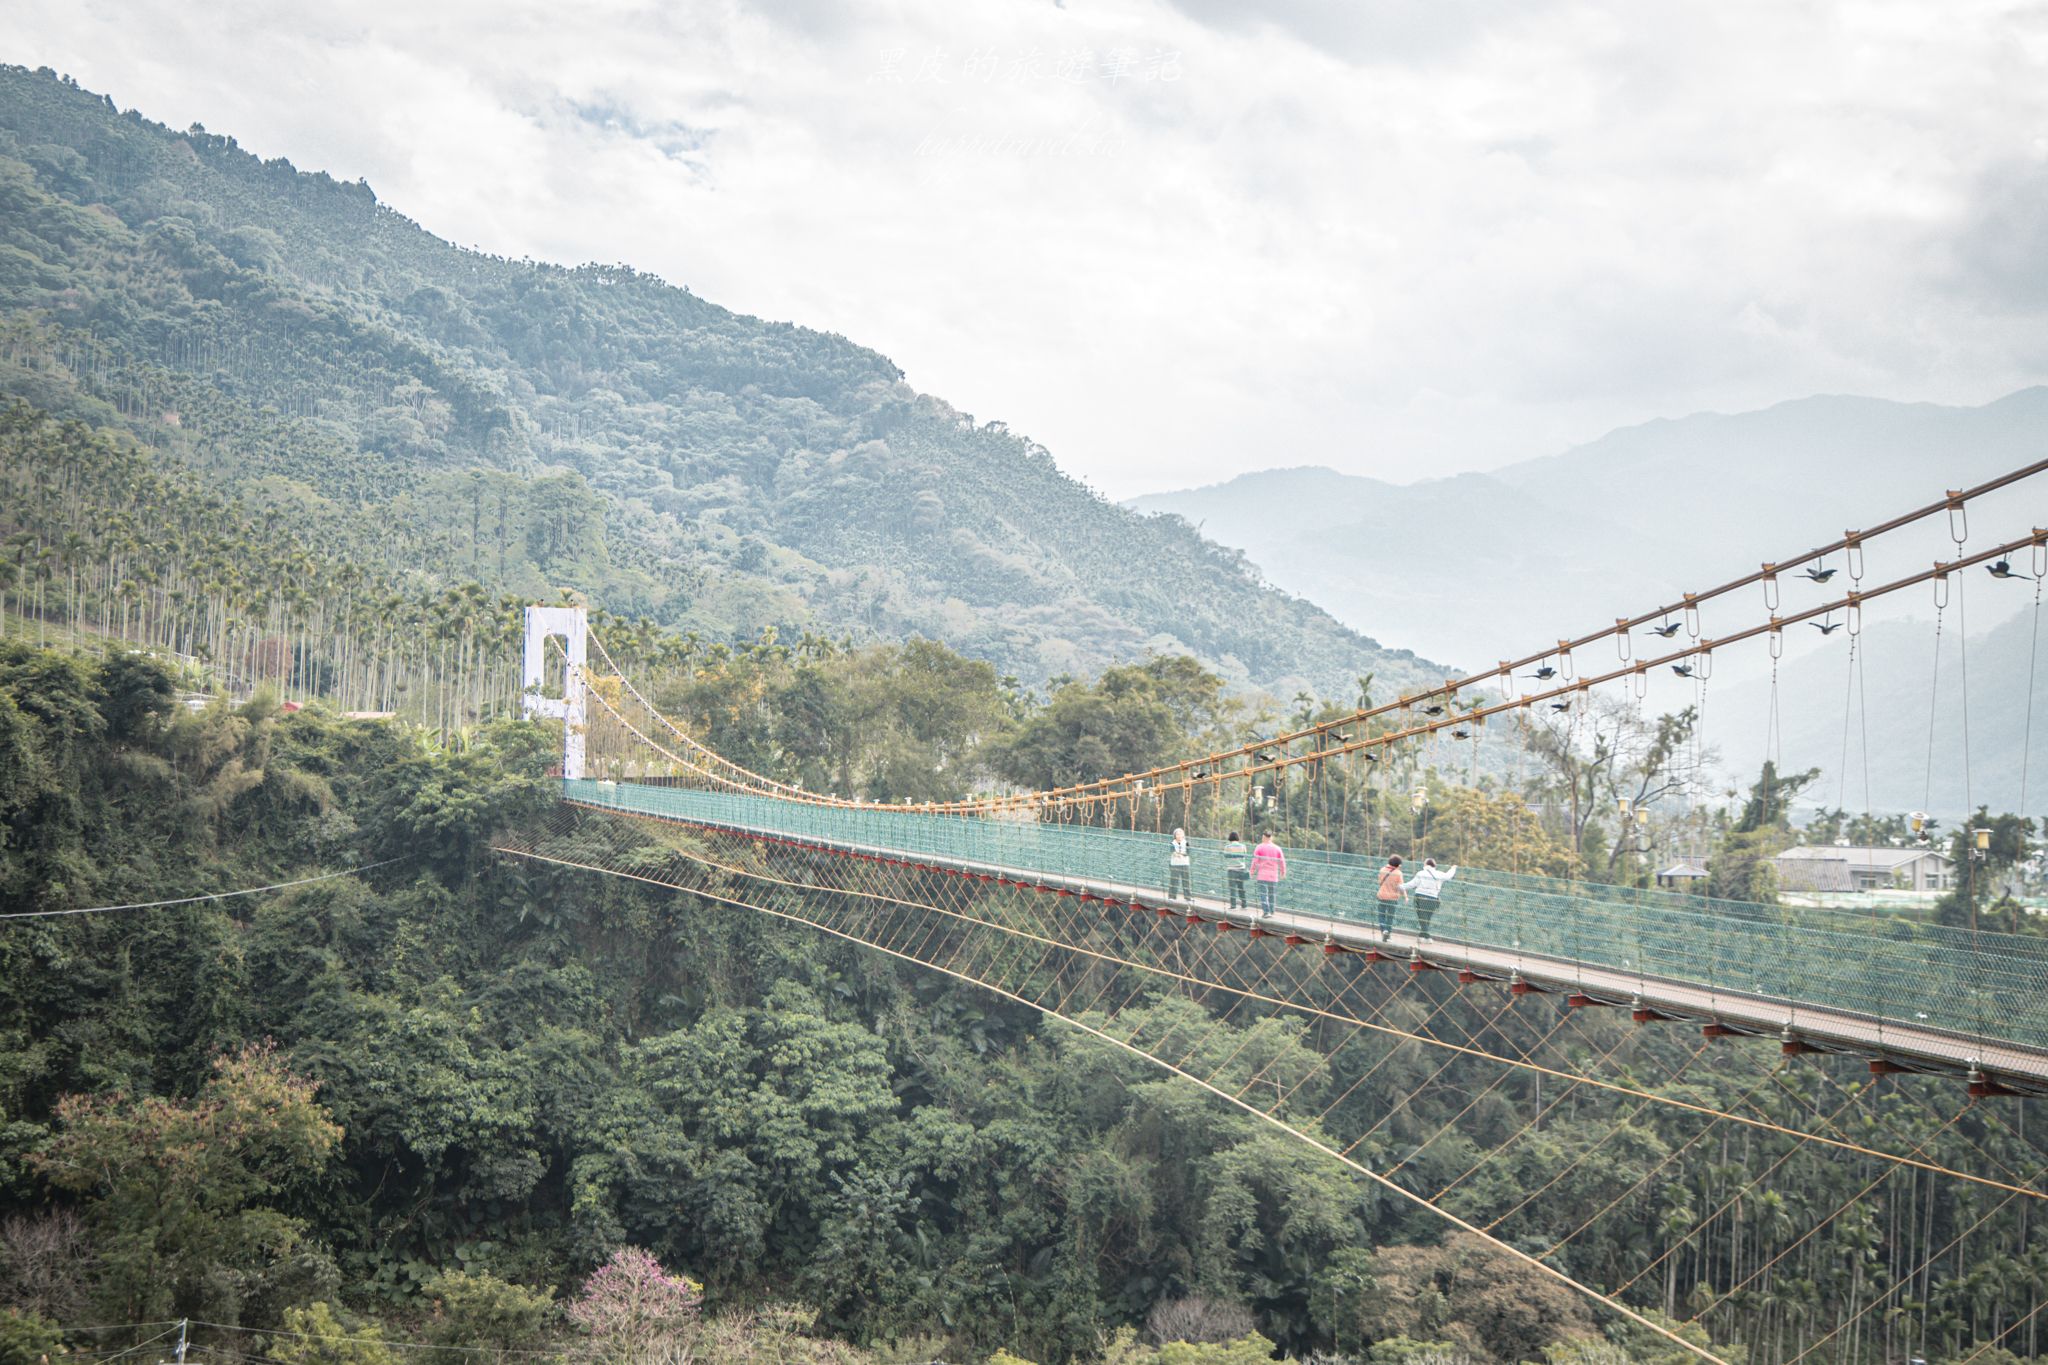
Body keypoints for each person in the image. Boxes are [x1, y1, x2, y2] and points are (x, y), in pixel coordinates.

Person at [1404, 857, 1458, 941]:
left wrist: (1400, 886)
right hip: (1433, 898)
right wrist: (1453, 868)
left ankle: (1427, 936)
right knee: (1427, 918)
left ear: (1425, 864)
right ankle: (1422, 936)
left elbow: (1412, 884)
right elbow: (1448, 876)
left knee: (1422, 917)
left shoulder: (1421, 873)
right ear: (1434, 865)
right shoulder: (1439, 874)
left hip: (1420, 897)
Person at [1251, 833, 1286, 917]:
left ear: (1264, 837)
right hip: (1273, 875)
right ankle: (1272, 911)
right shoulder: (1277, 848)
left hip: (1262, 875)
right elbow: (1282, 861)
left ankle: (1266, 912)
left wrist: (1252, 871)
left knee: (1263, 894)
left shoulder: (1259, 847)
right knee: (1272, 894)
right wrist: (1283, 872)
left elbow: (1255, 861)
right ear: (1271, 838)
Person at [1376, 855, 1406, 940]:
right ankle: (1387, 933)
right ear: (1398, 864)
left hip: (1382, 895)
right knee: (1390, 917)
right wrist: (1405, 896)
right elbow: (1401, 886)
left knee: (1381, 915)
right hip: (1393, 897)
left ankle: (1383, 931)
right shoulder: (1398, 873)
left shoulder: (1382, 870)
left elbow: (1379, 882)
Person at [1223, 831, 1249, 910]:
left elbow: (1225, 855)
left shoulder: (1227, 847)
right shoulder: (1243, 846)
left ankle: (1233, 906)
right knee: (1241, 888)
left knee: (1232, 888)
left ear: (1230, 838)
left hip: (1231, 870)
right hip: (1241, 869)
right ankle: (1244, 904)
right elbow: (1245, 855)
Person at [1168, 827, 1192, 901]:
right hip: (1175, 864)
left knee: (1186, 881)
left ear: (1183, 835)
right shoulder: (1172, 843)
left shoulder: (1186, 843)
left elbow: (1188, 852)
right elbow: (1173, 852)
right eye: (1177, 834)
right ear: (1175, 836)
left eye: (1180, 834)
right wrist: (1179, 854)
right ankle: (1172, 897)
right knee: (1174, 881)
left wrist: (1180, 854)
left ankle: (1188, 897)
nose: (1179, 836)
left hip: (1185, 864)